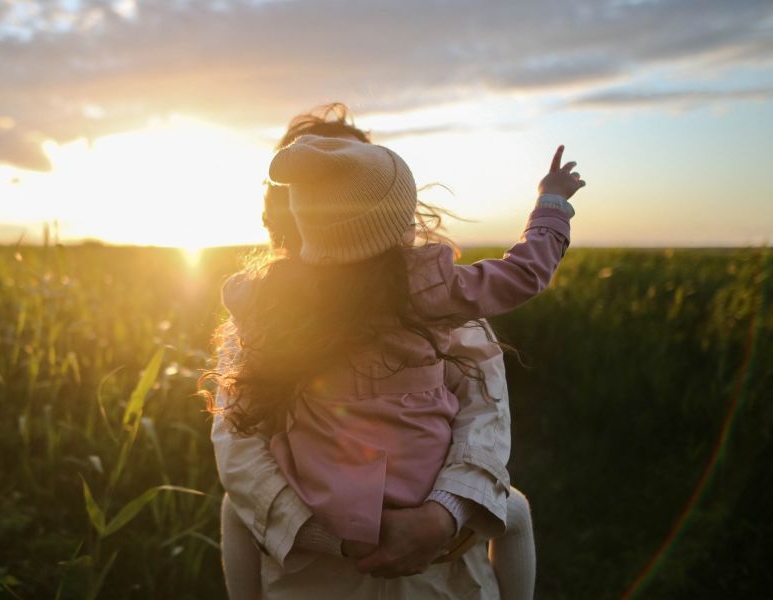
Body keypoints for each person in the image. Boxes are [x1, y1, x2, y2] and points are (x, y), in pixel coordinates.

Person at [207, 105, 582, 599]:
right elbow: (240, 444)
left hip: (415, 554)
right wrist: (550, 204)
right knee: (514, 510)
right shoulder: (433, 293)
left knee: (235, 511)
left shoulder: (269, 302)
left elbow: (483, 418)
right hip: (327, 562)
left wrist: (438, 517)